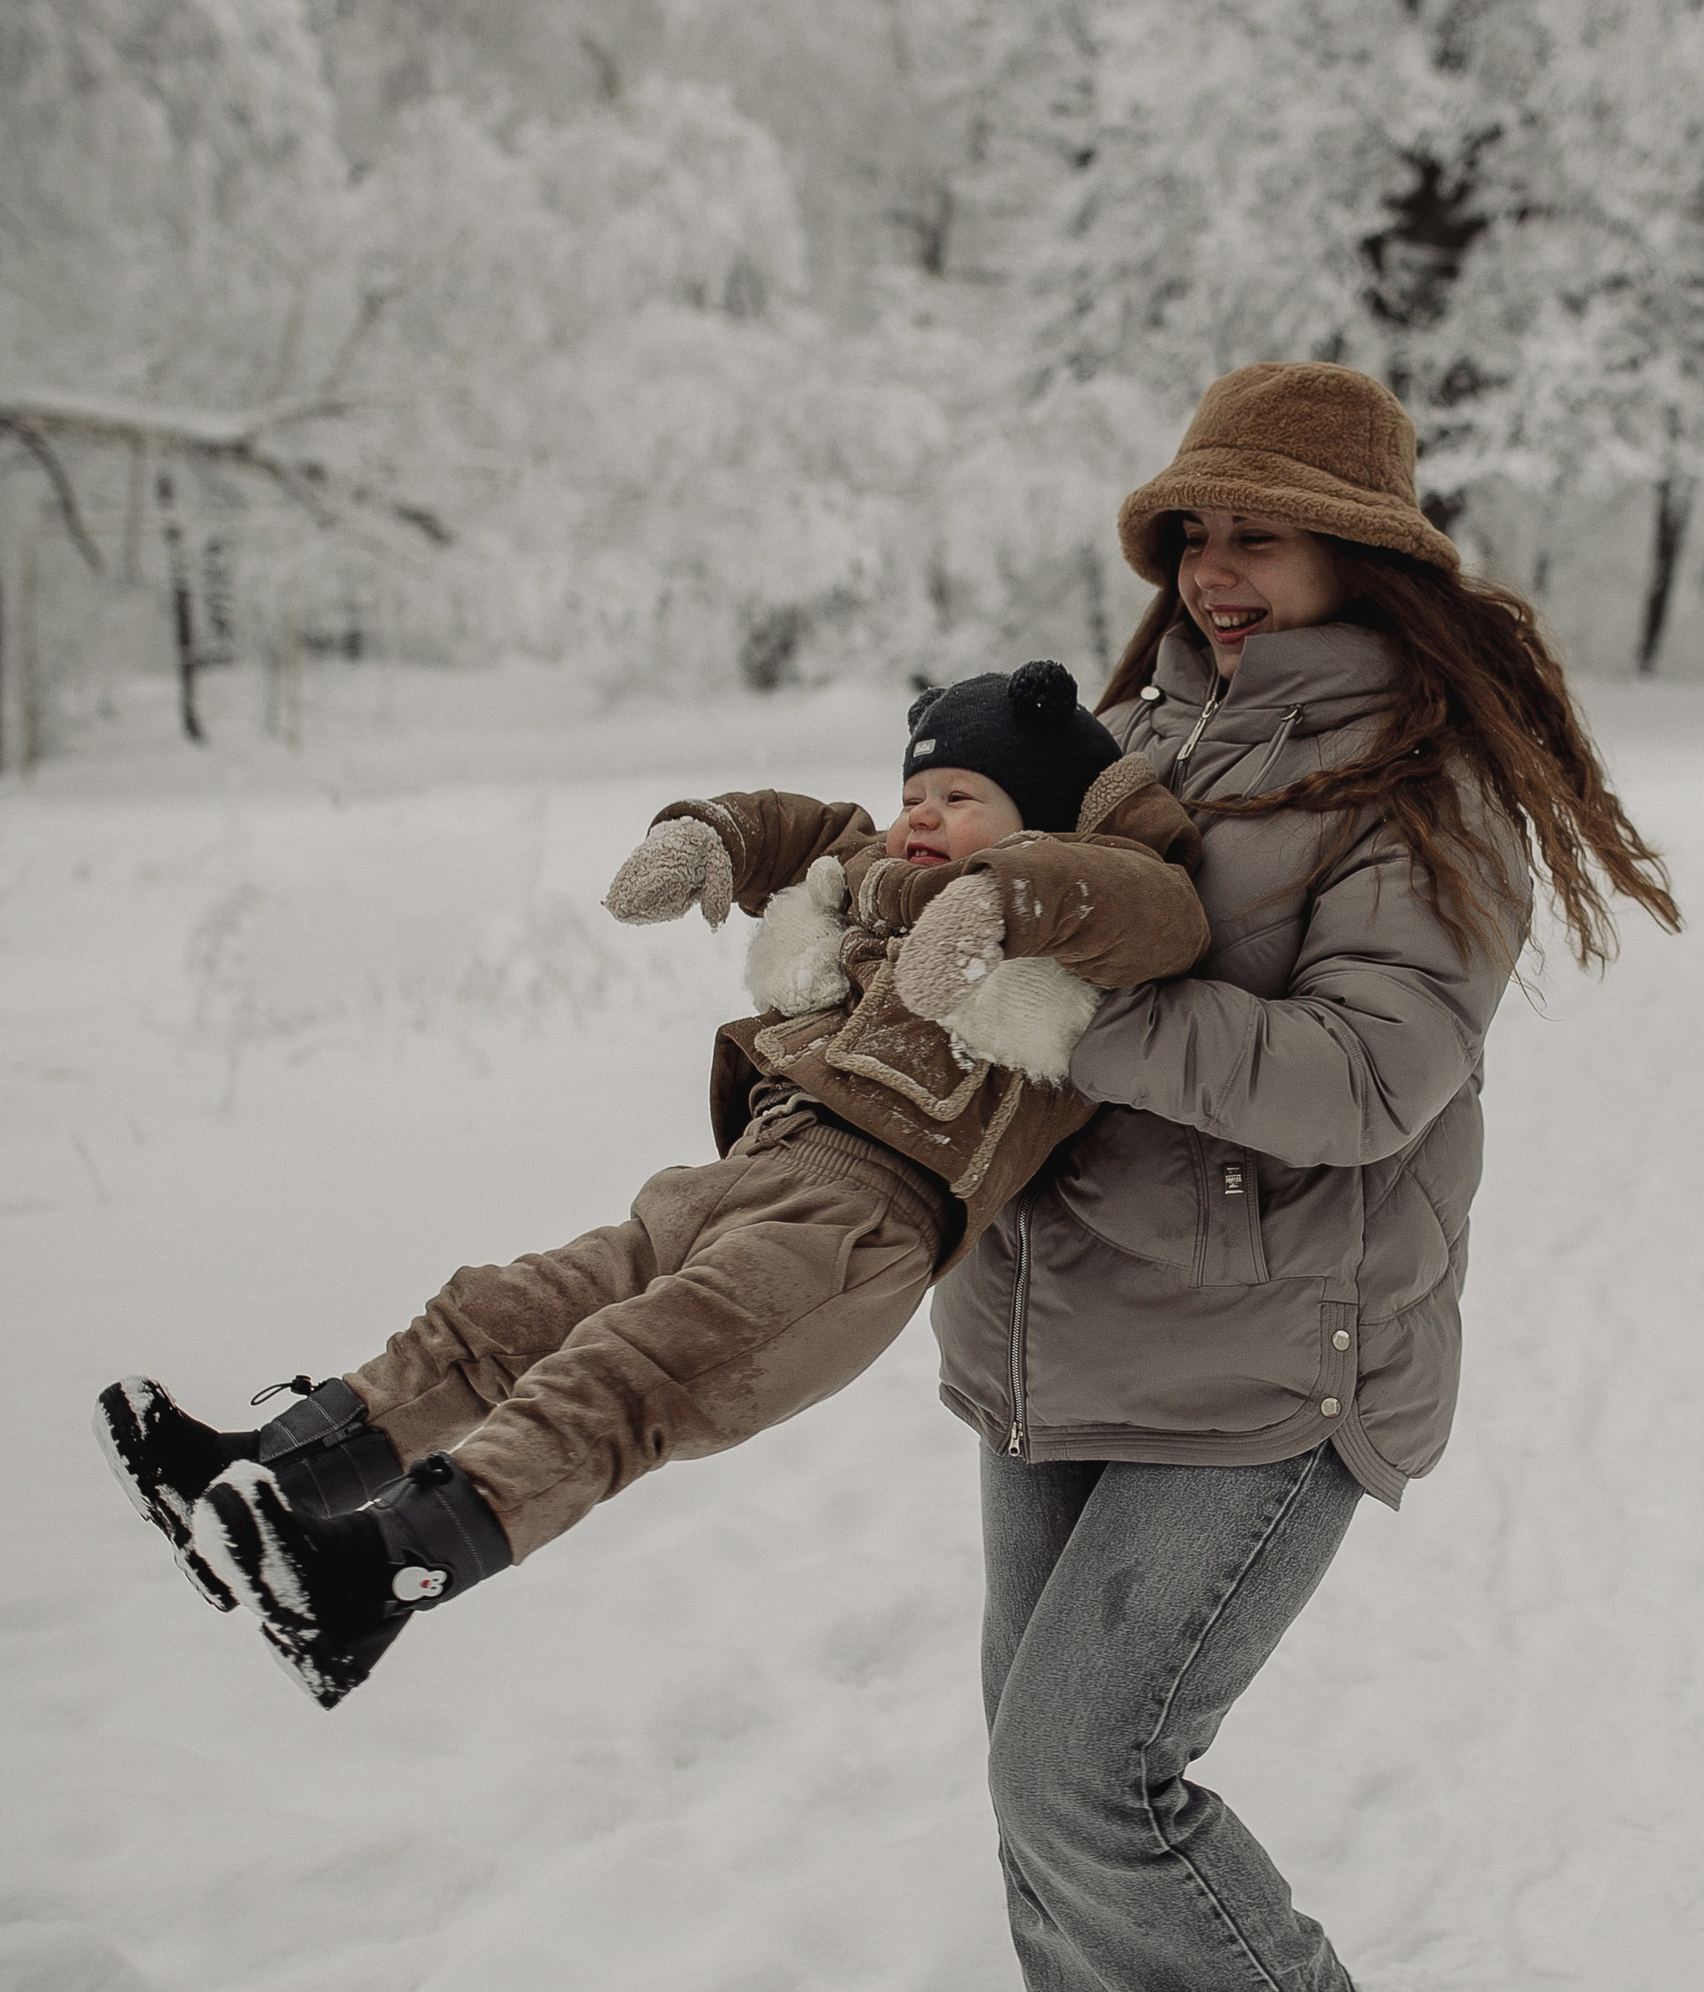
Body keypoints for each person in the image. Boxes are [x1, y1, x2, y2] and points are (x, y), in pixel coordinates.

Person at [934, 364, 1682, 1992]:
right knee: (1038, 1811)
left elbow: (1363, 1080)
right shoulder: (1134, 743)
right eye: (1189, 532)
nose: (1213, 570)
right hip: (1055, 1338)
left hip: (1276, 1364)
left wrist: (1060, 1019)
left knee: (1078, 1775)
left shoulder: (1419, 786)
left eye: (1252, 530)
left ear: (1358, 548)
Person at [96, 663, 1207, 1710]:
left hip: (857, 1229)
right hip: (734, 1180)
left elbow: (1144, 904)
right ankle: (269, 1481)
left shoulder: (1080, 913)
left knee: (631, 1371)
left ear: (1043, 812)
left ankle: (382, 1573)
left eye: (959, 794)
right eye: (913, 790)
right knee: (499, 1310)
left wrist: (999, 899)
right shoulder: (877, 875)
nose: (920, 815)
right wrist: (705, 836)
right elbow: (795, 827)